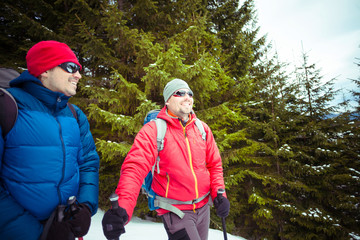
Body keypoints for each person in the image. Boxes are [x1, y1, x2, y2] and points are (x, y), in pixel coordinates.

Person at [102, 78, 230, 240]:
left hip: (203, 208)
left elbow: (214, 165)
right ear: (167, 100)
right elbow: (134, 169)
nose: (187, 97)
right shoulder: (154, 130)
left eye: (189, 93)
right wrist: (123, 207)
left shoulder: (202, 129)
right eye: (180, 93)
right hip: (175, 211)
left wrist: (220, 195)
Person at [0, 40, 100, 240]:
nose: (78, 75)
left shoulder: (74, 114)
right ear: (44, 70)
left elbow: (88, 163)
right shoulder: (8, 107)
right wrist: (35, 234)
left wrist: (86, 207)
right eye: (71, 67)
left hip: (64, 230)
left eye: (79, 68)